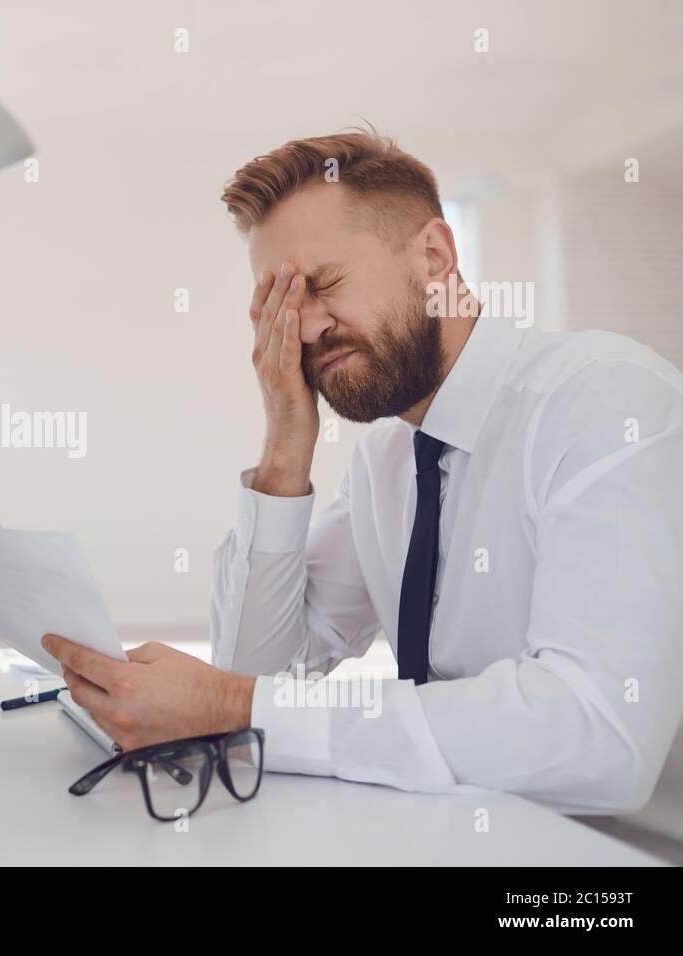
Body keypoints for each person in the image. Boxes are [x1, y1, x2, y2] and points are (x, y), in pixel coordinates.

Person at [41, 129, 683, 858]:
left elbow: (599, 736)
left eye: (324, 284)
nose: (306, 326)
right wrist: (286, 440)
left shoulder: (607, 404)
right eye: (280, 303)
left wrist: (233, 705)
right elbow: (258, 675)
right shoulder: (390, 456)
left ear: (435, 258)